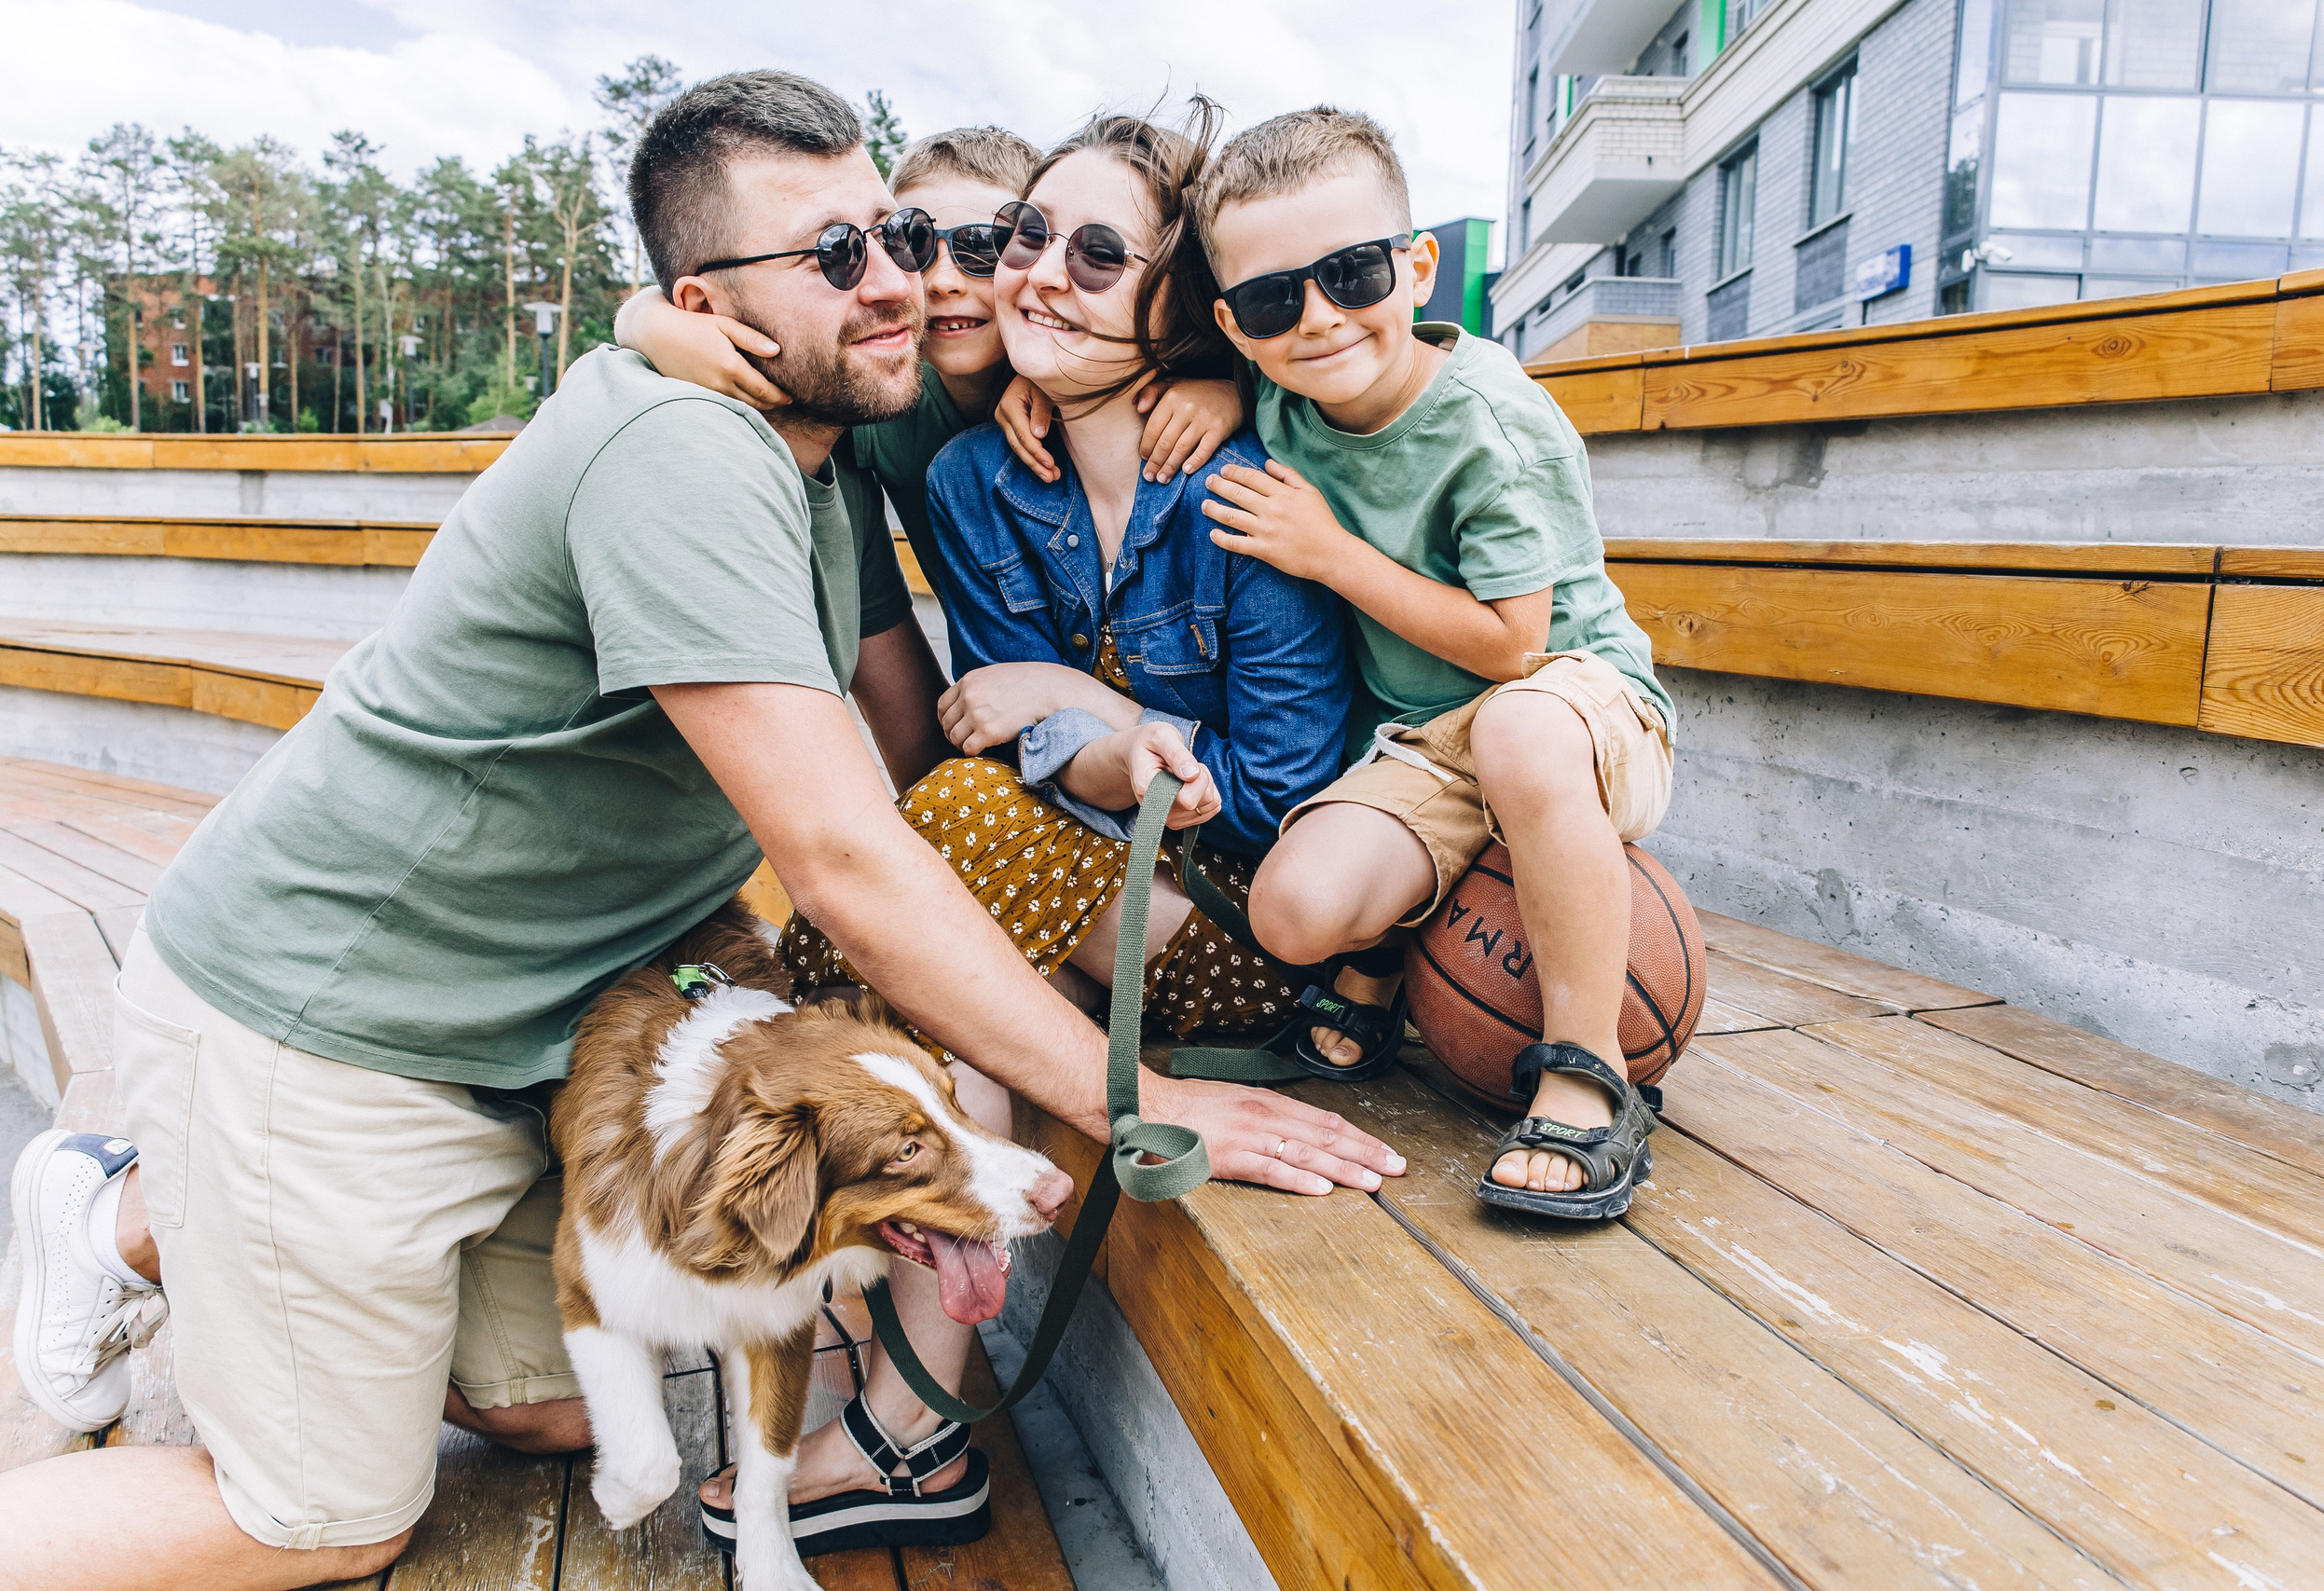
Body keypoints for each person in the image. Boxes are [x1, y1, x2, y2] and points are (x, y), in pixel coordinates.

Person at [1, 73, 1400, 1591]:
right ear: (704, 304)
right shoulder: (684, 451)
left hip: (516, 1038)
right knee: (326, 1517)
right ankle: (131, 1213)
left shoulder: (822, 454)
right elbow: (846, 858)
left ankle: (198, 1227)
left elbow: (910, 757)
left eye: (896, 237)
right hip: (334, 1027)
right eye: (838, 255)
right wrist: (1137, 1093)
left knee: (557, 1409)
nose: (900, 282)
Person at [777, 104, 1355, 1067]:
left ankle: (795, 1021)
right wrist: (1097, 749)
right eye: (1031, 235)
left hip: (1244, 915)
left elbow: (1277, 801)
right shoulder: (972, 479)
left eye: (1097, 255)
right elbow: (1024, 752)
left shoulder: (1248, 499)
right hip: (1068, 863)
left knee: (958, 816)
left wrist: (1074, 697)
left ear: (1178, 302)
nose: (1041, 273)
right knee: (958, 971)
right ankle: (861, 1043)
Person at [1198, 108, 1677, 1219]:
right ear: (1234, 325)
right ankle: (1392, 941)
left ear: (1416, 269)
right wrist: (1205, 390)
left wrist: (1330, 554)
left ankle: (1587, 1070)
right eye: (1272, 302)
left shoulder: (1492, 423)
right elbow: (1231, 377)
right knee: (1292, 912)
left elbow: (1518, 644)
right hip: (1428, 744)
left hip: (1575, 703)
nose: (1318, 318)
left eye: (1352, 275)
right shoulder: (1277, 395)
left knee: (1518, 727)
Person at [615, 123, 1245, 608]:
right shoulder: (876, 392)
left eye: (985, 247)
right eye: (910, 242)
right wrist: (650, 321)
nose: (940, 281)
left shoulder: (1102, 377)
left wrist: (1231, 389)